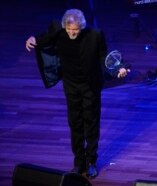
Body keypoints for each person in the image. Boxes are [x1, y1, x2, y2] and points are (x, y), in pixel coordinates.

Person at [25, 9, 130, 179]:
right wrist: (33, 38)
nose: (72, 33)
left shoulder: (95, 35)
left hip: (91, 86)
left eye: (75, 30)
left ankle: (91, 162)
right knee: (75, 123)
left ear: (81, 26)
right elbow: (44, 39)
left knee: (91, 123)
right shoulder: (59, 32)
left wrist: (119, 68)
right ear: (65, 27)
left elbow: (105, 56)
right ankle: (78, 162)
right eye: (69, 30)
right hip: (71, 85)